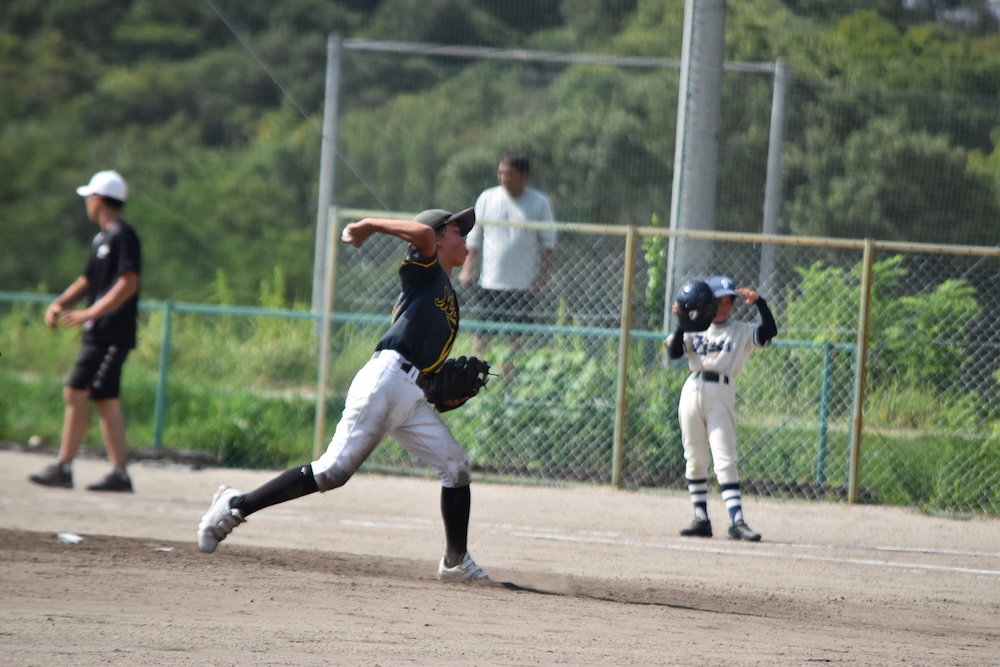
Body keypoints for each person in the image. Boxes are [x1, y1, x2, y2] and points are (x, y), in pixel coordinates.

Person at [197, 207, 490, 582]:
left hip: (408, 393)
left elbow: (425, 361)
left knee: (456, 467)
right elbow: (421, 236)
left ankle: (456, 561)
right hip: (386, 380)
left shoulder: (445, 293)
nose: (465, 239)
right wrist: (370, 225)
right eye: (457, 231)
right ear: (436, 237)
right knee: (332, 472)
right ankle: (235, 505)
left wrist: (438, 390)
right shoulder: (425, 270)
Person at [28, 170, 142, 493]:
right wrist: (60, 303)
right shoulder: (101, 239)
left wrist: (89, 313)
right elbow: (87, 280)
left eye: (89, 198)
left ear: (99, 200)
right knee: (105, 398)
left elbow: (128, 283)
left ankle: (64, 467)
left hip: (111, 333)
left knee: (75, 391)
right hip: (99, 333)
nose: (87, 204)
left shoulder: (123, 235)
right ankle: (119, 474)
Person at [665, 275, 778, 541]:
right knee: (694, 457)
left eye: (729, 302)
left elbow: (769, 331)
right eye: (719, 302)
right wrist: (682, 321)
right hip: (692, 390)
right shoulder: (695, 328)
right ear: (707, 303)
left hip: (721, 391)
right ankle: (701, 518)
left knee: (724, 456)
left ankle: (737, 521)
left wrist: (760, 303)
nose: (725, 307)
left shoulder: (741, 331)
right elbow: (674, 353)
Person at [459, 152, 555, 381]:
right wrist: (467, 268)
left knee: (514, 341)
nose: (503, 178)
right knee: (482, 338)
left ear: (524, 175)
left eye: (509, 174)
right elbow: (474, 238)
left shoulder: (539, 203)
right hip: (490, 283)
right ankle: (471, 383)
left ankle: (507, 385)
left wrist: (543, 276)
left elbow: (548, 244)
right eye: (501, 173)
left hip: (522, 286)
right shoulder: (487, 198)